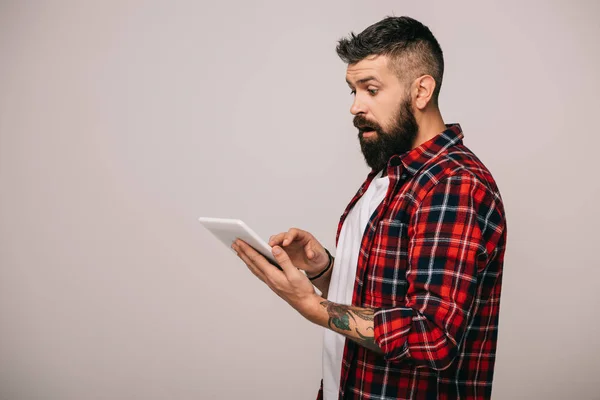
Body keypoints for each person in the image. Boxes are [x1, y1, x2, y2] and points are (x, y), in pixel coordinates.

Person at [231, 15, 507, 400]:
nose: (355, 106)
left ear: (421, 91)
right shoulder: (390, 172)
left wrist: (315, 306)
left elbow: (432, 335)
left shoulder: (453, 183)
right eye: (352, 91)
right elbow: (384, 295)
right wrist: (325, 269)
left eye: (371, 90)